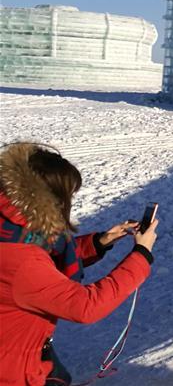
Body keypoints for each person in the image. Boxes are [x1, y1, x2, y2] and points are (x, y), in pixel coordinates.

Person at [0, 143, 157, 386]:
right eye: (68, 196)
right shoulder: (22, 261)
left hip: (21, 346)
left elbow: (49, 258)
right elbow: (85, 306)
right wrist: (141, 255)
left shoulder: (11, 230)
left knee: (60, 374)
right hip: (13, 371)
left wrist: (100, 242)